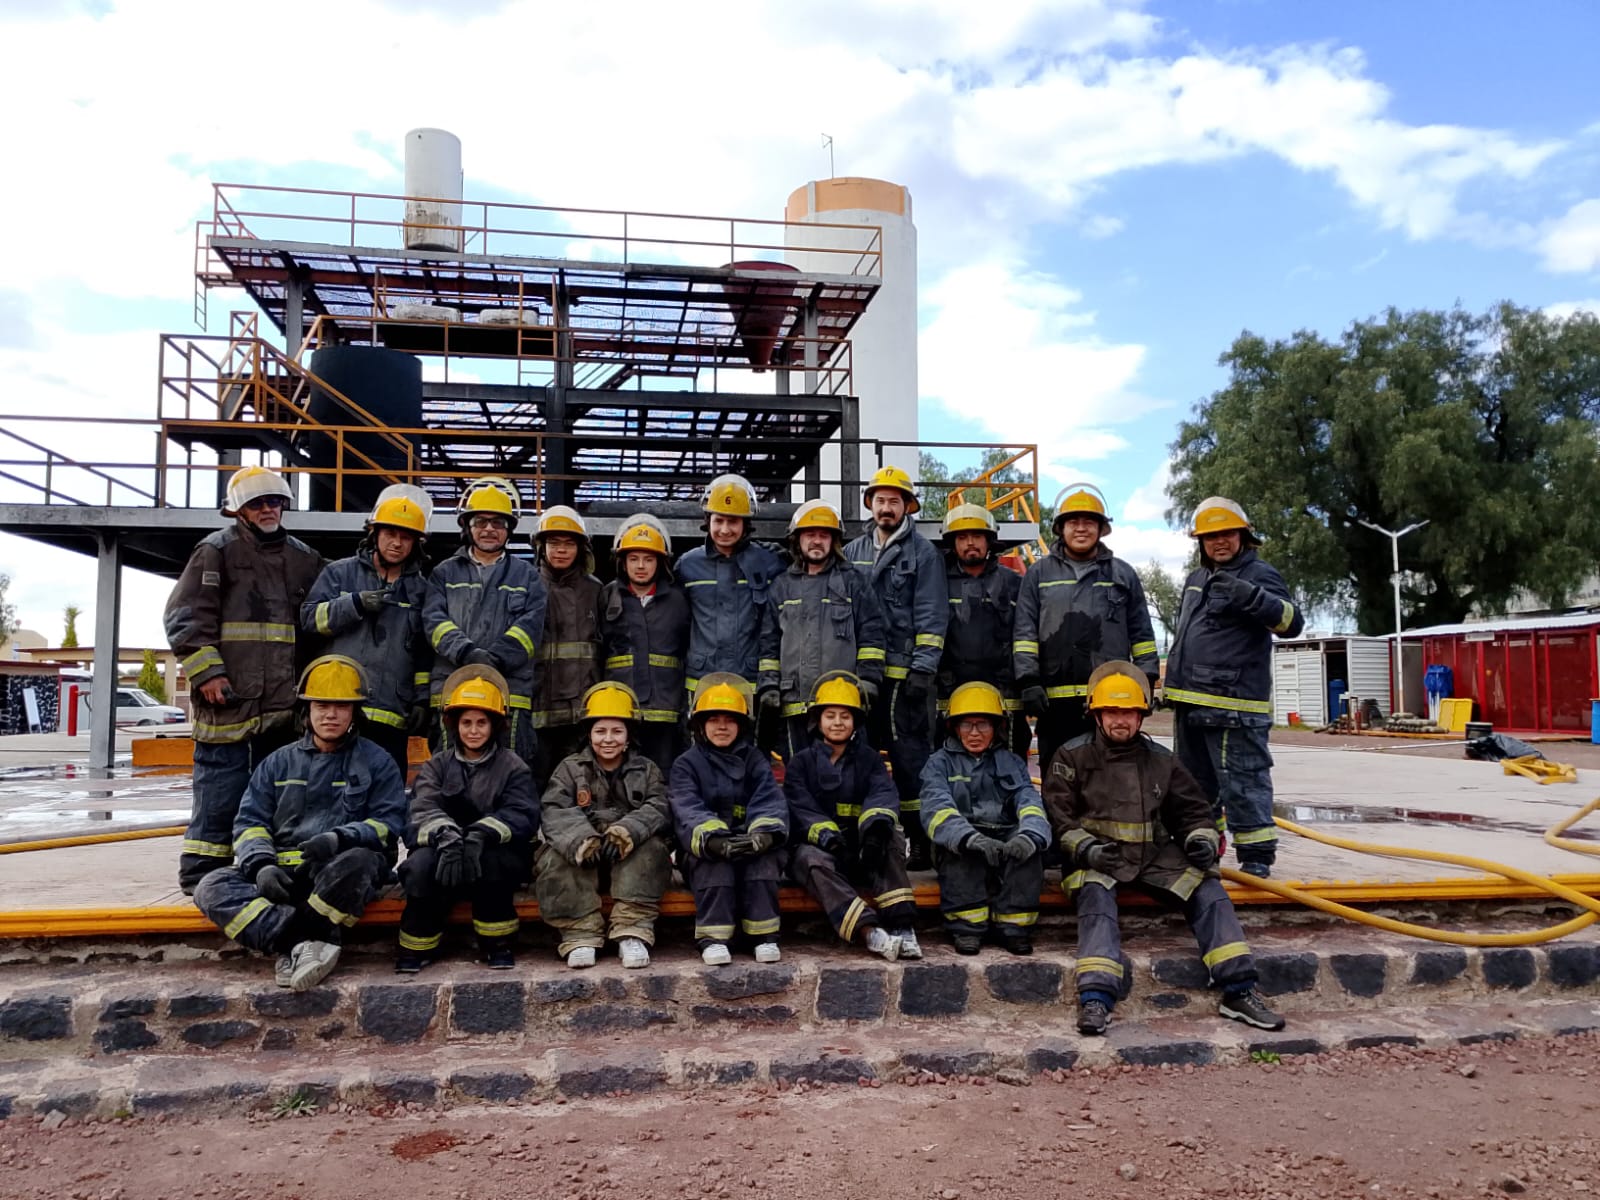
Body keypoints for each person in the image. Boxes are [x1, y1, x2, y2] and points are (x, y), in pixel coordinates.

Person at [1043, 661, 1286, 1035]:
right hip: (1097, 859)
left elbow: (1193, 810)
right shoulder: (1071, 757)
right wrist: (1086, 850)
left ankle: (1239, 990)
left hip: (1154, 857)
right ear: (1095, 713)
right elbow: (1059, 817)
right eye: (1112, 712)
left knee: (1209, 889)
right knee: (1096, 904)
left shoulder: (1162, 760)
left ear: (1142, 715)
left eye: (1129, 712)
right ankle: (1096, 998)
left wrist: (1200, 839)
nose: (1120, 720)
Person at [193, 655, 405, 991]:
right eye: (322, 705)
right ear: (306, 710)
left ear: (354, 712)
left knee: (363, 862)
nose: (331, 714)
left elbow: (389, 823)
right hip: (281, 873)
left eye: (341, 706)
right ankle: (301, 943)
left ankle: (294, 942)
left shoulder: (378, 762)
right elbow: (250, 822)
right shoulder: (277, 763)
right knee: (211, 887)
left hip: (336, 869)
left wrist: (339, 839)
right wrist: (261, 864)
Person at [166, 466, 324, 893]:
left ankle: (265, 867)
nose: (268, 509)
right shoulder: (214, 552)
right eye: (258, 503)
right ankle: (202, 873)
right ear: (239, 510)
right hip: (228, 699)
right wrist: (208, 673)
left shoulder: (304, 559)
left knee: (278, 793)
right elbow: (185, 618)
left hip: (281, 704)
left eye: (274, 501)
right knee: (221, 788)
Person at [1165, 497, 1304, 878]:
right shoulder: (1197, 578)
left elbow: (1292, 623)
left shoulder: (1259, 573)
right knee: (1194, 787)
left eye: (1226, 534)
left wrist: (1253, 597)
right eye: (1210, 537)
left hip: (1234, 704)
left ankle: (1256, 859)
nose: (1219, 543)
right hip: (1190, 701)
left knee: (1243, 783)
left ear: (1243, 535)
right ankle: (1204, 848)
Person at [396, 664, 539, 972]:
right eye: (466, 722)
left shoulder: (513, 766)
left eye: (481, 722)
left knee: (493, 864)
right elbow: (421, 808)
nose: (473, 730)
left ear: (495, 725)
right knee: (420, 867)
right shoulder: (437, 766)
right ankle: (416, 947)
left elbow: (521, 814)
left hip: (494, 853)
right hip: (444, 849)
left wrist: (480, 835)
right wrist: (446, 836)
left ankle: (496, 944)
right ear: (454, 725)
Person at [844, 465, 948, 870]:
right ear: (870, 504)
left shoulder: (923, 554)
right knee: (862, 758)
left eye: (895, 501)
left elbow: (932, 613)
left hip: (907, 678)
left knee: (910, 762)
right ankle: (868, 841)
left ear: (908, 506)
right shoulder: (852, 552)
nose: (886, 508)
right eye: (880, 500)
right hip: (863, 677)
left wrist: (923, 668)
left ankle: (920, 841)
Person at [1013, 483, 1158, 773]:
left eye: (1089, 522)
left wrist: (1146, 682)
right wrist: (1028, 681)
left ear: (1101, 529)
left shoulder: (1123, 574)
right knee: (1058, 777)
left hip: (1110, 701)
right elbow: (1024, 632)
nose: (1081, 528)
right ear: (1061, 529)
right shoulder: (1038, 574)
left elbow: (1142, 636)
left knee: (1111, 776)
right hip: (1054, 704)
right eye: (1073, 522)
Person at [536, 681, 673, 969]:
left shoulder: (647, 770)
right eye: (600, 731)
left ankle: (632, 932)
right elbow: (554, 810)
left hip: (627, 855)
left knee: (653, 850)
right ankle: (579, 934)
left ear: (628, 736)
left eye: (616, 731)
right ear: (588, 734)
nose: (607, 739)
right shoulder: (569, 769)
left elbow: (658, 806)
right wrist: (581, 841)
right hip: (585, 856)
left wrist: (627, 832)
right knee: (552, 857)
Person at [784, 672, 918, 961]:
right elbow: (801, 808)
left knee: (890, 837)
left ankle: (902, 925)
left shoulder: (870, 759)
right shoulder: (800, 763)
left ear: (855, 721)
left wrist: (874, 834)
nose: (837, 722)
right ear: (817, 720)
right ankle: (870, 933)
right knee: (809, 860)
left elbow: (882, 795)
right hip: (824, 849)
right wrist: (830, 841)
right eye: (830, 715)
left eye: (845, 716)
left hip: (861, 848)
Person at [301, 484, 433, 776]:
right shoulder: (339, 573)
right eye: (390, 534)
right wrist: (354, 604)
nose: (397, 543)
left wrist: (422, 699)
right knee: (332, 790)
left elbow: (424, 653)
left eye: (405, 537)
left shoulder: (422, 591)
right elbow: (310, 620)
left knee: (386, 795)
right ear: (374, 535)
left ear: (415, 544)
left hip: (391, 714)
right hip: (339, 709)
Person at [919, 681, 1050, 955]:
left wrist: (1029, 836)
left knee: (1029, 854)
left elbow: (1029, 801)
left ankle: (1013, 928)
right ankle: (967, 927)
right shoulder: (939, 763)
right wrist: (970, 838)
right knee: (961, 855)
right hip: (961, 838)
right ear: (954, 727)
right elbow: (936, 807)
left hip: (1003, 835)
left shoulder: (1011, 762)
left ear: (997, 728)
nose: (975, 732)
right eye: (967, 725)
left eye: (983, 725)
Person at [424, 477, 547, 764]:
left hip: (510, 694)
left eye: (498, 523)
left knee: (511, 776)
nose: (489, 529)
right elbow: (433, 621)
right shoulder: (443, 573)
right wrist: (467, 652)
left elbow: (531, 628)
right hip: (453, 692)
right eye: (481, 522)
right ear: (467, 527)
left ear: (509, 530)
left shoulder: (528, 576)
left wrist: (496, 658)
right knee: (447, 775)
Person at [669, 672, 788, 966]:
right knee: (715, 869)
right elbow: (686, 807)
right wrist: (715, 840)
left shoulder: (755, 760)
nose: (722, 726)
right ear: (700, 725)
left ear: (742, 725)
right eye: (713, 720)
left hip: (749, 842)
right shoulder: (686, 764)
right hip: (706, 848)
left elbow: (769, 800)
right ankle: (713, 939)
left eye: (730, 720)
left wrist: (762, 837)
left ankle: (763, 936)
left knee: (763, 864)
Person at [759, 499, 886, 760]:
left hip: (841, 703)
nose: (817, 541)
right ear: (797, 540)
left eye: (824, 535)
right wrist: (769, 685)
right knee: (800, 777)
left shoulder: (854, 583)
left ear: (834, 541)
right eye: (810, 535)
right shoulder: (781, 586)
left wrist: (869, 680)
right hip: (794, 702)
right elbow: (769, 641)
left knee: (843, 772)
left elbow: (871, 634)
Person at [676, 474, 782, 746]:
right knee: (700, 754)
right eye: (718, 520)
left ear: (746, 525)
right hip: (701, 681)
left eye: (733, 521)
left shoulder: (769, 562)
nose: (725, 529)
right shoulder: (687, 566)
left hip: (748, 681)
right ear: (707, 521)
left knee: (749, 755)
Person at [597, 513, 690, 773]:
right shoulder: (606, 595)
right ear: (622, 561)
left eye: (648, 559)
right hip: (621, 708)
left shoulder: (679, 600)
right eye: (633, 558)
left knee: (664, 772)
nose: (641, 566)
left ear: (661, 563)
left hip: (666, 710)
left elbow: (687, 649)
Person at [937, 504, 1028, 757]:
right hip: (948, 694)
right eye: (962, 537)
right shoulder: (936, 583)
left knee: (1010, 767)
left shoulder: (1014, 583)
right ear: (952, 543)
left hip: (1005, 697)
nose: (970, 543)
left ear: (989, 541)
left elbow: (1027, 635)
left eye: (977, 536)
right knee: (950, 767)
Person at [530, 505, 603, 778]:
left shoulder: (595, 590)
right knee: (534, 784)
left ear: (581, 549)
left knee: (577, 787)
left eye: (569, 543)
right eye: (553, 543)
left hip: (580, 714)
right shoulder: (528, 585)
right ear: (540, 547)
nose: (561, 550)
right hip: (538, 712)